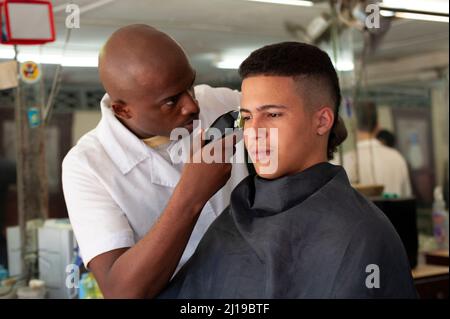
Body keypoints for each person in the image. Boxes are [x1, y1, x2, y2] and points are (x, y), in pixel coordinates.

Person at [158, 42, 417, 299]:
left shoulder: (361, 234)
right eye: (247, 117)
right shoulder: (239, 213)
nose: (253, 133)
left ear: (322, 121)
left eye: (272, 115)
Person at [62, 24, 248, 298]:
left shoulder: (221, 103)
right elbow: (121, 291)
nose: (192, 106)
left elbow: (306, 120)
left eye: (190, 86)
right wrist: (191, 196)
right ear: (123, 110)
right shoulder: (87, 166)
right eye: (171, 101)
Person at [341, 101, 412, 198]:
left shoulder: (343, 161)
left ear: (353, 127)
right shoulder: (397, 158)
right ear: (378, 126)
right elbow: (407, 199)